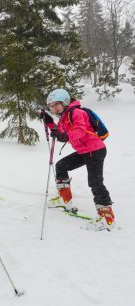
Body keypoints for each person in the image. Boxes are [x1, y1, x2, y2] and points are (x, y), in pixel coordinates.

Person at [41, 88, 115, 231]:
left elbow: (79, 131)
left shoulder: (77, 112)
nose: (54, 108)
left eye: (56, 104)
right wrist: (49, 122)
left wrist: (66, 136)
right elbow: (61, 132)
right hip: (84, 151)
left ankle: (107, 219)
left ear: (65, 102)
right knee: (61, 166)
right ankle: (64, 200)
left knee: (95, 182)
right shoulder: (64, 117)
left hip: (95, 151)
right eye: (51, 106)